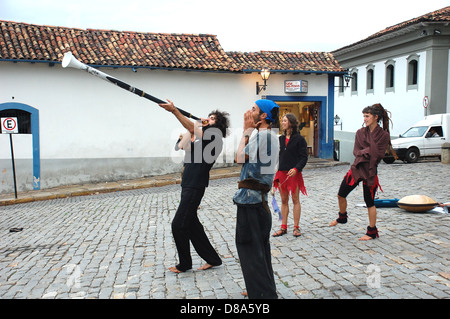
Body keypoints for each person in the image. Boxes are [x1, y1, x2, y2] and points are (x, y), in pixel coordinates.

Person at [159, 99, 230, 273]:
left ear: (218, 124)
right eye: (208, 116)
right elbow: (181, 146)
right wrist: (193, 126)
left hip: (195, 186)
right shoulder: (202, 138)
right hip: (187, 184)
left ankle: (184, 264)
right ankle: (213, 259)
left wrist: (175, 111)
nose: (208, 118)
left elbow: (193, 130)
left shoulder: (215, 137)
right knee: (192, 225)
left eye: (212, 118)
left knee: (178, 225)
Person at [233, 99, 279, 299]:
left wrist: (245, 130)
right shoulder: (265, 135)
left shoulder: (263, 136)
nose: (248, 111)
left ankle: (262, 295)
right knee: (256, 248)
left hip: (252, 201)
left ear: (263, 116)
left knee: (250, 248)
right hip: (254, 201)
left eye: (253, 109)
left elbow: (238, 158)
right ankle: (259, 289)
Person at [329, 103, 395, 241]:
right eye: (364, 116)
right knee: (341, 194)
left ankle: (372, 231)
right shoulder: (360, 132)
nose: (364, 119)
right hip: (357, 168)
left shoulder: (383, 135)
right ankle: (342, 217)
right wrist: (368, 151)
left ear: (376, 117)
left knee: (369, 202)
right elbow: (356, 152)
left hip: (370, 171)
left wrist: (365, 152)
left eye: (367, 116)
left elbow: (379, 154)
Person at [272, 113, 308, 237]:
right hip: (281, 173)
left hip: (294, 174)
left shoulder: (300, 139)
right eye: (282, 120)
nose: (282, 122)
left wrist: (296, 169)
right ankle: (283, 227)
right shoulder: (280, 139)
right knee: (283, 200)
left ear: (291, 123)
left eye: (285, 121)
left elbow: (304, 158)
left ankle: (296, 227)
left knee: (295, 199)